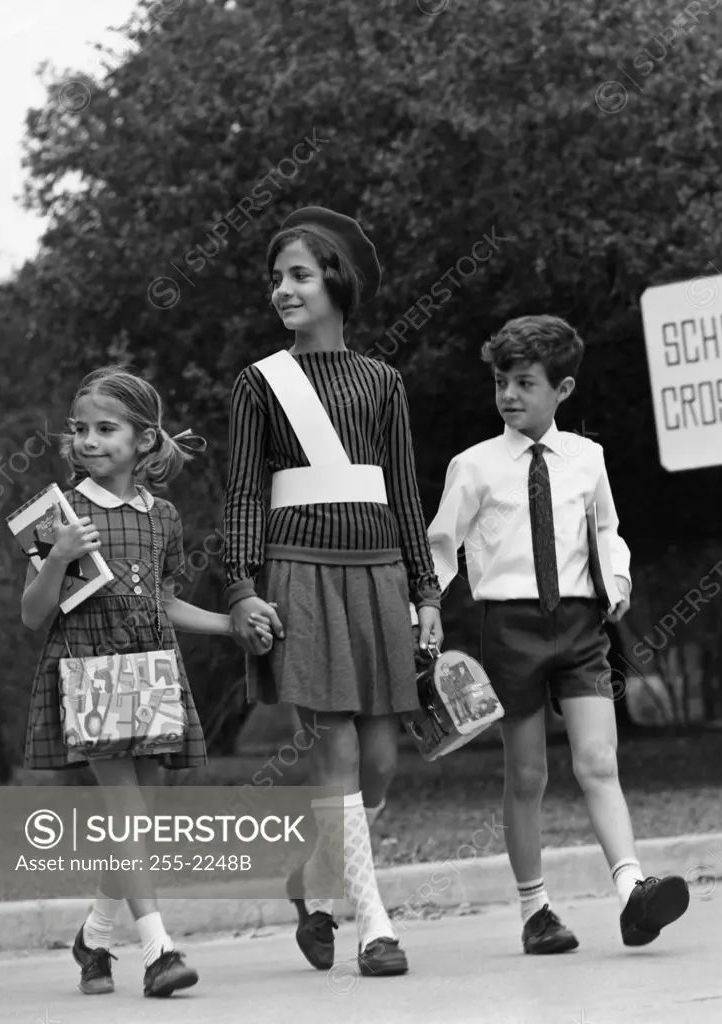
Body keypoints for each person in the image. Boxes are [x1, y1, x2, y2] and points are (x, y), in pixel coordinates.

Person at [223, 206, 443, 978]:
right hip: (299, 573)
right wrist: (243, 587)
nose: (282, 289)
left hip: (380, 570)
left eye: (299, 275)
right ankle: (372, 924)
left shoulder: (383, 382)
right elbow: (246, 492)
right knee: (338, 744)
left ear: (336, 282)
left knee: (381, 757)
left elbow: (407, 497)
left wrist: (428, 594)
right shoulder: (259, 384)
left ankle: (313, 881)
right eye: (276, 278)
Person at [426, 315, 690, 955]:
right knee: (527, 775)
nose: (509, 395)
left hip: (580, 624)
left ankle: (632, 893)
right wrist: (427, 606)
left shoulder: (588, 458)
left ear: (562, 389)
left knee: (600, 760)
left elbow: (607, 532)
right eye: (500, 382)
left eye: (524, 382)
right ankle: (536, 909)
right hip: (508, 627)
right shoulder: (475, 465)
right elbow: (441, 544)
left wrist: (618, 582)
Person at [22, 366, 273, 998]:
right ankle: (160, 951)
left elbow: (164, 604)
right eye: (80, 429)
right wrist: (56, 556)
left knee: (140, 822)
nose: (89, 440)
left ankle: (94, 938)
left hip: (153, 669)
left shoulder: (161, 516)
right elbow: (33, 613)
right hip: (90, 673)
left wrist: (231, 625)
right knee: (128, 815)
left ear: (143, 440)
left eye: (107, 429)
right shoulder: (61, 513)